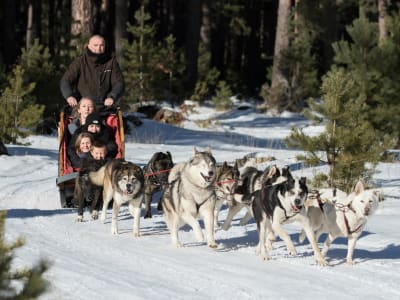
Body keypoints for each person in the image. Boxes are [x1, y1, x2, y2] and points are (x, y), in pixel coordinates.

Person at [60, 34, 125, 108]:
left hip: (105, 106)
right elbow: (65, 80)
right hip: (83, 107)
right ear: (88, 45)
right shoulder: (80, 62)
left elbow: (119, 83)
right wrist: (69, 96)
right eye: (95, 45)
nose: (98, 48)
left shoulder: (111, 62)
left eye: (101, 45)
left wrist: (112, 96)